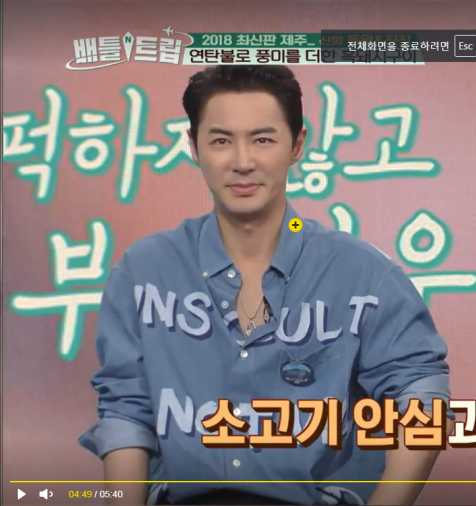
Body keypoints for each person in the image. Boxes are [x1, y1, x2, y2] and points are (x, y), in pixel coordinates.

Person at [79, 65, 452, 506]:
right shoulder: (143, 270)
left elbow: (422, 397)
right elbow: (126, 412)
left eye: (262, 140)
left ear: (297, 145)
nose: (242, 162)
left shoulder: (363, 273)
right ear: (193, 146)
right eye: (221, 141)